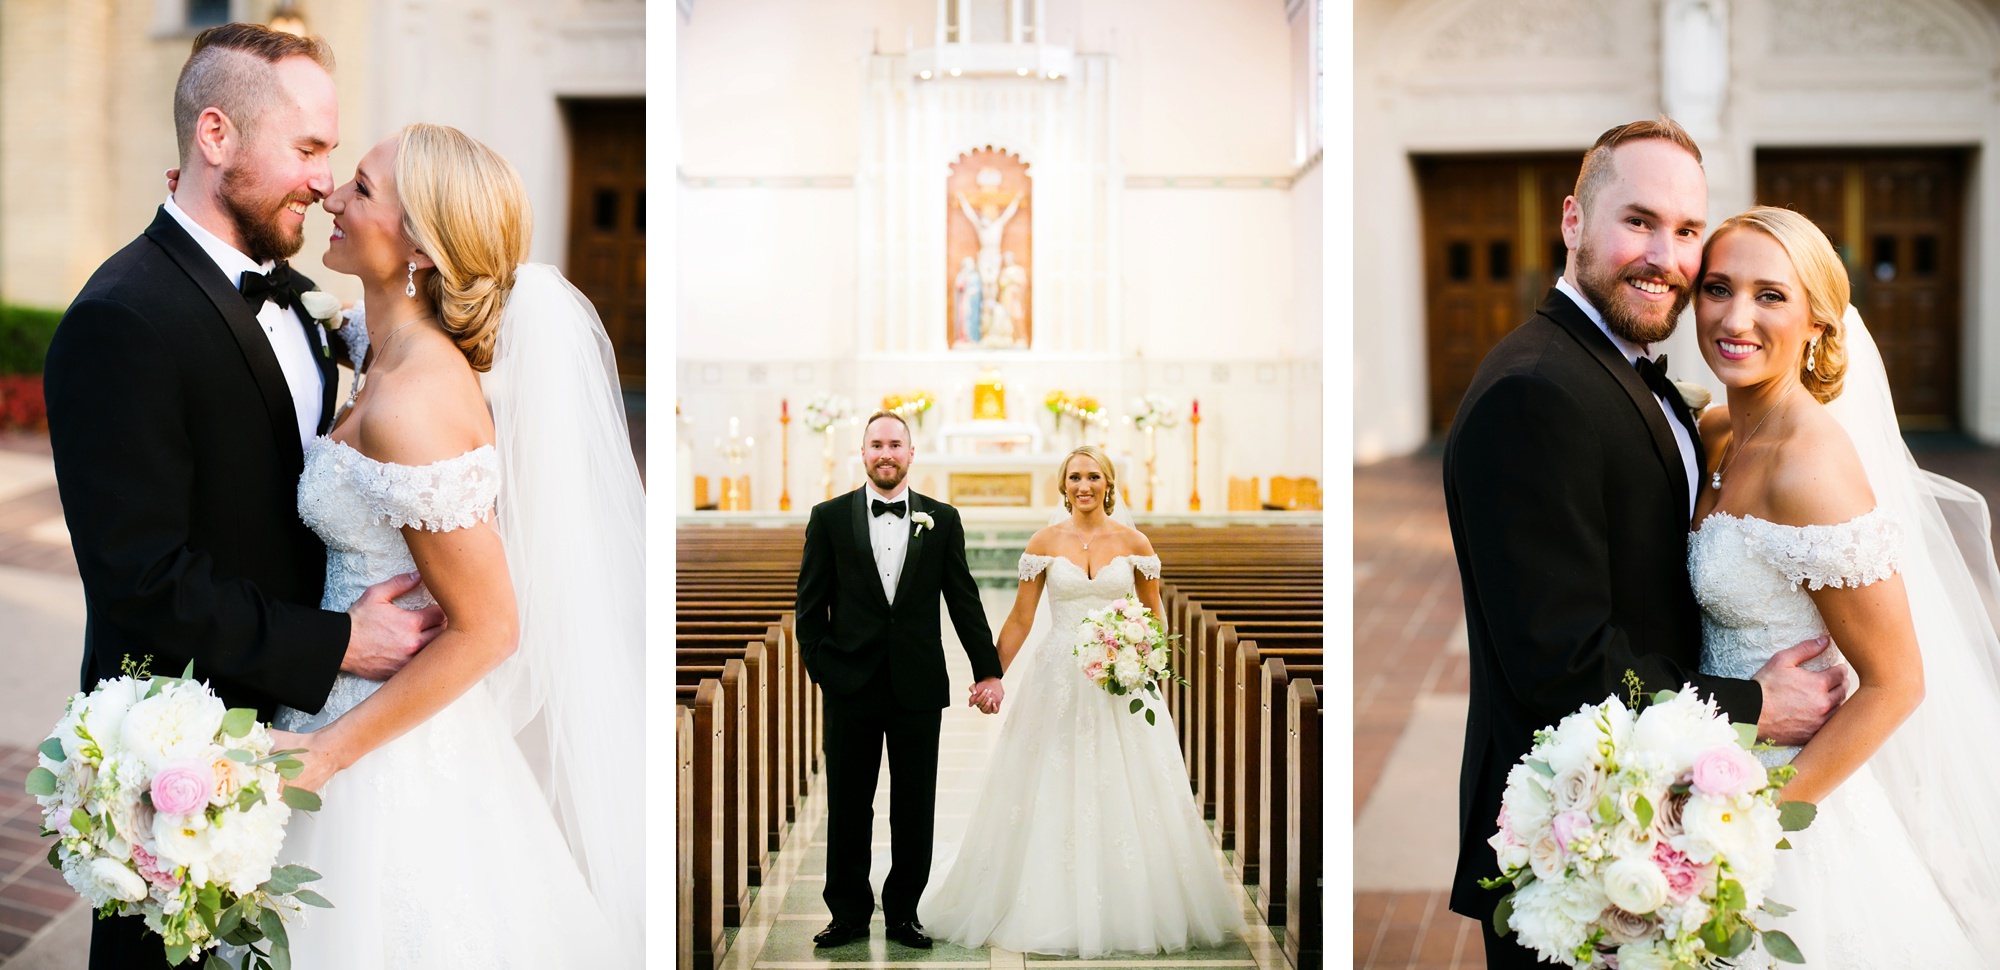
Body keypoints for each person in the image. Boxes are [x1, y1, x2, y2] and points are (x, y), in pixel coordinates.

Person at [42, 25, 442, 969]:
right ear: (215, 136)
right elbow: (144, 579)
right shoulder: (120, 318)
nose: (323, 180)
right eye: (307, 150)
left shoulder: (297, 298)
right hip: (185, 777)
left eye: (333, 154)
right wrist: (341, 643)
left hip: (311, 751)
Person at [1439, 117, 1845, 969]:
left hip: (1654, 821)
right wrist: (1752, 705)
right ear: (1573, 221)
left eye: (1687, 230)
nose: (1666, 254)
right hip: (1572, 842)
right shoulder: (1535, 392)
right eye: (1638, 221)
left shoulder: (1625, 373)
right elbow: (1563, 662)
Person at [255, 121, 645, 965]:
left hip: (376, 744)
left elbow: (491, 628)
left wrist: (326, 755)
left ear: (419, 249)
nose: (331, 193)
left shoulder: (414, 404)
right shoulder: (382, 350)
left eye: (359, 189)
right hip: (339, 683)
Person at [1689, 205, 2000, 964]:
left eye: (1771, 295)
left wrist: (1750, 831)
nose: (1735, 316)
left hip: (1789, 811)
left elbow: (1898, 682)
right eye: (1718, 287)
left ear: (1820, 324)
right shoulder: (1718, 433)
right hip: (1707, 767)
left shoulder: (1812, 464)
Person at [919, 446, 1246, 955]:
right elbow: (1022, 620)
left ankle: (1133, 901)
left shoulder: (1134, 541)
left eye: (1094, 476)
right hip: (1058, 680)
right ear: (1063, 484)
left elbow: (1154, 612)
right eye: (1075, 477)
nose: (1084, 485)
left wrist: (1144, 657)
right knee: (1051, 779)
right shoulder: (1045, 542)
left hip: (1121, 684)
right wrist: (991, 675)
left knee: (1126, 783)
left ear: (1109, 483)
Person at [795, 411, 1004, 950]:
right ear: (862, 453)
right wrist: (825, 668)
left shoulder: (942, 518)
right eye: (876, 445)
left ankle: (904, 912)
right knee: (847, 802)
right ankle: (846, 914)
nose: (885, 454)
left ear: (911, 454)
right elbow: (809, 607)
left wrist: (988, 670)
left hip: (916, 684)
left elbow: (963, 599)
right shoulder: (829, 517)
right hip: (850, 684)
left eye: (895, 445)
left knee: (914, 803)